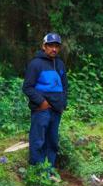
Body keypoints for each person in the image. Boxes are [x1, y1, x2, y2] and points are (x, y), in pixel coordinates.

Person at [22, 32, 68, 168]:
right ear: (44, 46)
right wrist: (42, 102)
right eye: (50, 45)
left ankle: (49, 170)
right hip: (42, 109)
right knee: (38, 140)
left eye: (56, 46)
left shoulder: (60, 64)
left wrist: (63, 103)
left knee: (52, 141)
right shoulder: (35, 64)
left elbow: (64, 86)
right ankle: (37, 170)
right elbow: (27, 87)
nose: (54, 49)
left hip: (56, 110)